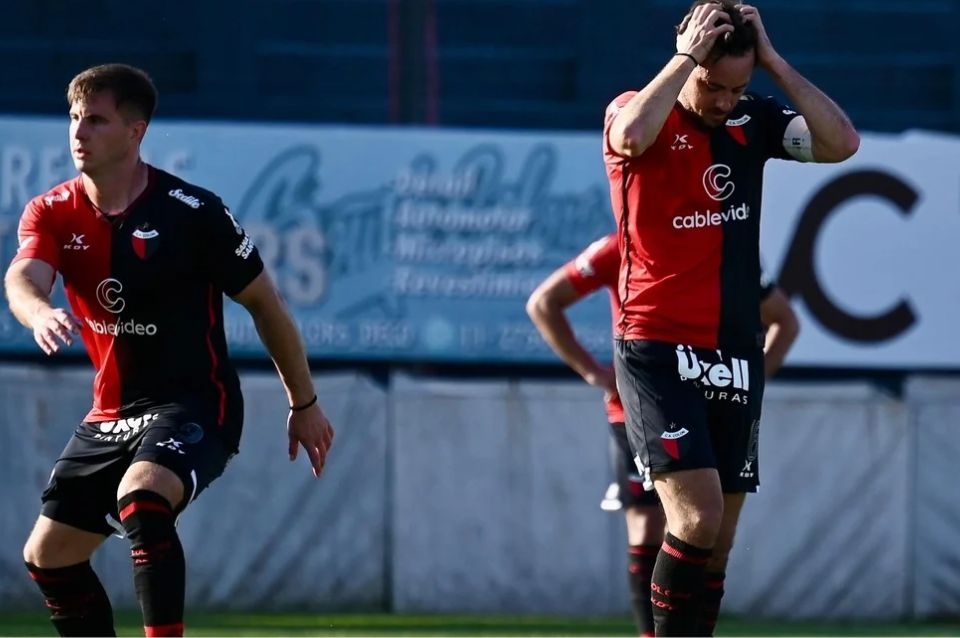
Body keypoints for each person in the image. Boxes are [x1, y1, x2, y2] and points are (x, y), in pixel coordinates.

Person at [4, 63, 335, 637]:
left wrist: (303, 403)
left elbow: (266, 305)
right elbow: (22, 279)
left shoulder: (193, 213)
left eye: (96, 120)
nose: (79, 132)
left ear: (136, 132)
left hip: (196, 404)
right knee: (49, 557)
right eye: (75, 118)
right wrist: (40, 312)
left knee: (142, 498)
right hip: (110, 415)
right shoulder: (51, 210)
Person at [602, 1, 858, 634]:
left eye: (736, 89)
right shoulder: (635, 109)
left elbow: (841, 143)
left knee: (717, 546)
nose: (723, 101)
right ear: (686, 60)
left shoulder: (754, 119)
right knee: (696, 519)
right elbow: (629, 138)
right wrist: (685, 59)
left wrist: (773, 63)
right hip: (657, 344)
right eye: (712, 85)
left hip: (735, 349)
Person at [526, 233, 799, 637]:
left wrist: (748, 389)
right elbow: (543, 303)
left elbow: (784, 322)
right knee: (650, 525)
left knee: (710, 535)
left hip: (713, 404)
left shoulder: (721, 245)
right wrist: (593, 372)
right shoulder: (618, 247)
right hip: (640, 406)